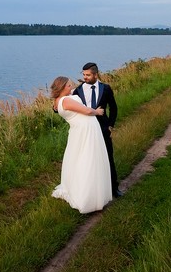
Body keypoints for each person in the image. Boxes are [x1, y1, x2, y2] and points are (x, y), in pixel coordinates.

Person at [50, 76, 113, 214]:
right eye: (68, 86)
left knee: (81, 158)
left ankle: (93, 191)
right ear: (61, 87)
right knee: (87, 159)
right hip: (85, 131)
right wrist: (97, 111)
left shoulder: (58, 101)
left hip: (81, 130)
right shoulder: (65, 100)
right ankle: (87, 196)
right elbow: (87, 111)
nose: (71, 87)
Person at [73, 62, 122, 198]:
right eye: (83, 75)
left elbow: (113, 108)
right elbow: (68, 104)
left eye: (88, 75)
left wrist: (111, 125)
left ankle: (114, 188)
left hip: (103, 129)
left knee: (108, 157)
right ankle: (92, 190)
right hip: (86, 130)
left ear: (95, 74)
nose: (85, 77)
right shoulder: (78, 90)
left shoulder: (106, 88)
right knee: (88, 159)